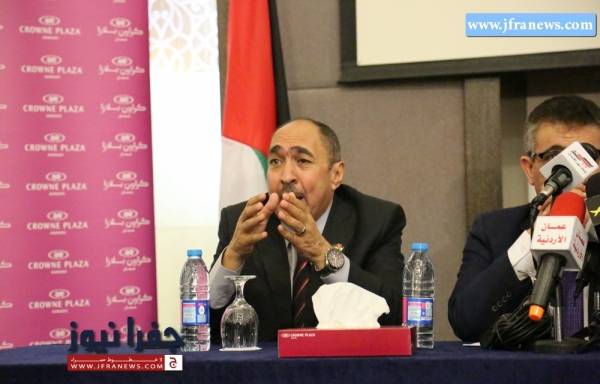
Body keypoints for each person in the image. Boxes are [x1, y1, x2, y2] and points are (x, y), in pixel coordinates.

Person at [209, 118, 406, 341]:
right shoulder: (244, 220)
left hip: (342, 360)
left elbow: (394, 315)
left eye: (302, 161)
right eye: (276, 161)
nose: (286, 176)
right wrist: (234, 255)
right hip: (264, 361)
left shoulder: (376, 220)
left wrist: (323, 253)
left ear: (336, 174)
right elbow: (203, 323)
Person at [448, 95, 600, 342]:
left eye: (586, 155)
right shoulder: (492, 229)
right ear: (529, 168)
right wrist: (534, 241)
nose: (574, 171)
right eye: (554, 156)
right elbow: (466, 323)